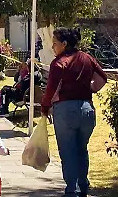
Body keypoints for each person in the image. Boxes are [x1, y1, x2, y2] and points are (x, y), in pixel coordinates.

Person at [41, 27, 108, 197]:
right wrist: (90, 88)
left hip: (65, 111)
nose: (53, 48)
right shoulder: (87, 58)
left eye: (55, 44)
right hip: (87, 109)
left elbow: (50, 90)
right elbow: (103, 78)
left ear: (64, 44)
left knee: (68, 152)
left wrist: (44, 107)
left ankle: (72, 189)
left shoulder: (58, 64)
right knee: (81, 149)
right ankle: (83, 185)